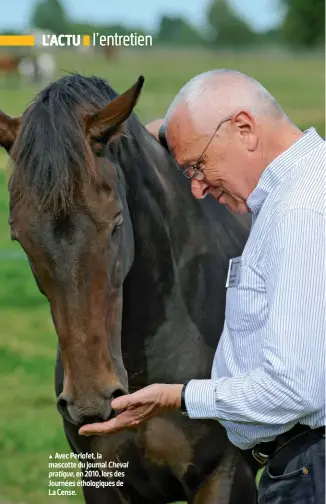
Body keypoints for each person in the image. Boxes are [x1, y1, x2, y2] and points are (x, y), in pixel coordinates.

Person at [79, 70, 325, 503]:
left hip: (311, 474)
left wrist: (180, 395)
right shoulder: (305, 184)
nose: (196, 187)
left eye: (197, 166)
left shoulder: (299, 214)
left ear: (245, 129)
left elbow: (291, 389)